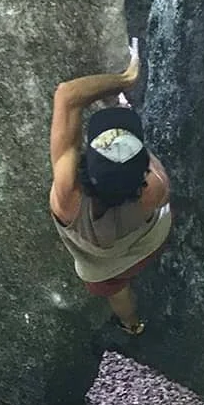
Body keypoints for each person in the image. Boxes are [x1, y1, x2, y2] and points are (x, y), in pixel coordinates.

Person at [49, 39, 171, 335]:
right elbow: (145, 160)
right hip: (148, 245)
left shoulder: (67, 197)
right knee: (131, 265)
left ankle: (133, 325)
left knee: (117, 292)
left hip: (101, 270)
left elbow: (67, 96)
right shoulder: (155, 189)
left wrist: (123, 80)